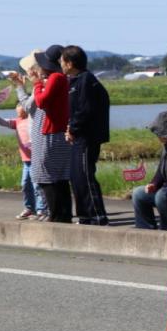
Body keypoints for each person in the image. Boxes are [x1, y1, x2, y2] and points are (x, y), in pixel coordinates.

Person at [13, 45, 73, 223]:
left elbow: (36, 103)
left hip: (49, 134)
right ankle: (62, 215)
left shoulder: (53, 79)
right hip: (54, 133)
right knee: (59, 177)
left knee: (45, 176)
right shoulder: (58, 79)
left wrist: (34, 83)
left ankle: (56, 216)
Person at [61, 45, 111, 226]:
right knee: (76, 176)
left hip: (87, 137)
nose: (61, 64)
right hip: (78, 136)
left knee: (85, 176)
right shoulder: (75, 81)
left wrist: (72, 129)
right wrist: (70, 128)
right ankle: (84, 216)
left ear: (70, 63)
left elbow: (85, 110)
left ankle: (97, 216)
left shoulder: (86, 81)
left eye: (62, 61)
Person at [0, 100, 47, 220]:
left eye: (21, 108)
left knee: (37, 186)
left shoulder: (33, 120)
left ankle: (41, 210)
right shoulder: (17, 122)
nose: (19, 111)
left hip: (36, 159)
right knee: (25, 184)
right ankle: (29, 208)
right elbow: (3, 122)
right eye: (17, 108)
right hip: (26, 161)